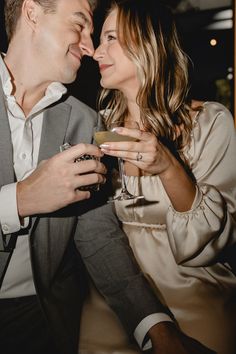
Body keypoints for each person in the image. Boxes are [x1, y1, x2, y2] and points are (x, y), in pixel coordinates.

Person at [0, 1, 218, 354]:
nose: (90, 48)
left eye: (102, 35)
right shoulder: (102, 122)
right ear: (32, 12)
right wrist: (20, 200)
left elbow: (97, 234)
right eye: (80, 25)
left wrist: (155, 327)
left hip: (50, 322)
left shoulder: (84, 122)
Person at [82, 0, 236, 354]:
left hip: (195, 293)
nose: (96, 52)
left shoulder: (211, 122)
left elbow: (218, 238)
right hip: (111, 301)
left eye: (109, 38)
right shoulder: (97, 126)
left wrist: (169, 167)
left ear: (146, 43)